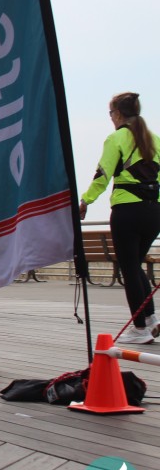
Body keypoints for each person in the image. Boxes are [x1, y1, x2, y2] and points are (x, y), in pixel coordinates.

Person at [80, 92, 160, 344]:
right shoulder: (155, 140)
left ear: (118, 114)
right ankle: (151, 319)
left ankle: (139, 328)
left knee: (129, 268)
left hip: (128, 210)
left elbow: (102, 175)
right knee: (135, 265)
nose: (111, 118)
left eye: (111, 113)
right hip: (154, 211)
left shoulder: (116, 138)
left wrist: (86, 201)